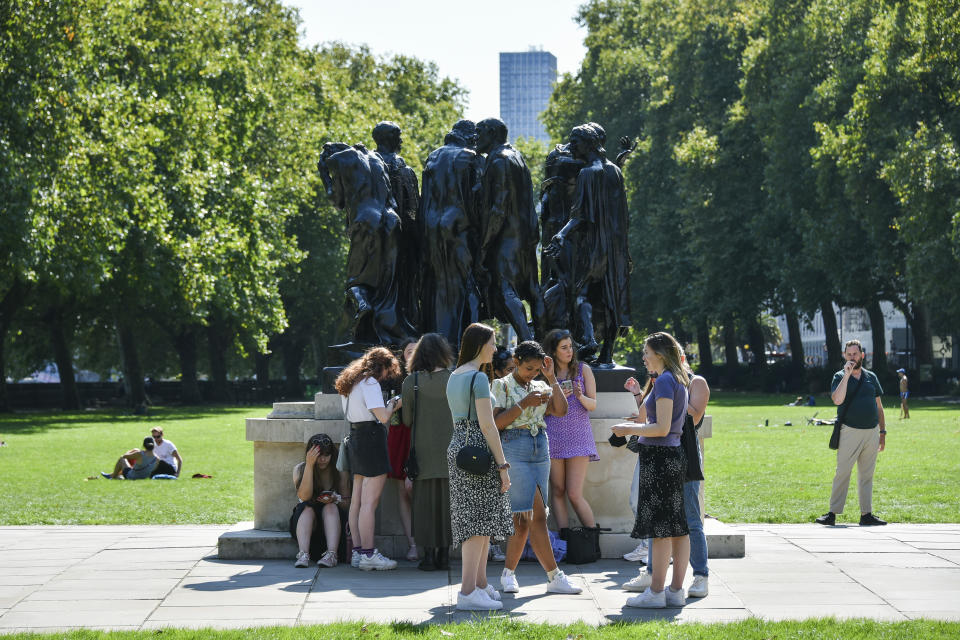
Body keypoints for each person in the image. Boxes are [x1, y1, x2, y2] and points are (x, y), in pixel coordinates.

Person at [492, 340, 582, 596]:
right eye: (528, 368)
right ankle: (555, 575)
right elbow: (497, 422)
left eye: (536, 368)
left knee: (525, 519)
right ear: (516, 361)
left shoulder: (542, 384)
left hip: (540, 447)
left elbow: (561, 411)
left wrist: (552, 378)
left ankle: (508, 574)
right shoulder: (501, 385)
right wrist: (525, 403)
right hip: (514, 447)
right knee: (534, 515)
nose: (532, 373)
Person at [610, 332, 690, 608]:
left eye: (646, 352)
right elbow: (649, 416)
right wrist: (637, 407)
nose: (643, 357)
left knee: (661, 529)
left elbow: (661, 428)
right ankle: (675, 591)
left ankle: (656, 593)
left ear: (660, 353)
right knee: (677, 527)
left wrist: (626, 429)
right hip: (669, 457)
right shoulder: (670, 378)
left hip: (661, 458)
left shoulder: (667, 380)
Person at [623, 355, 711, 599]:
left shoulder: (695, 383)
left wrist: (671, 393)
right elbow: (644, 416)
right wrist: (640, 394)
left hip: (686, 454)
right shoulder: (661, 381)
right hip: (658, 453)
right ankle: (653, 573)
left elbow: (691, 416)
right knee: (656, 517)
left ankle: (701, 575)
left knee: (691, 518)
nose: (647, 361)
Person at [544, 124, 631, 365]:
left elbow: (579, 215)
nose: (572, 146)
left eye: (576, 141)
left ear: (589, 143)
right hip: (614, 247)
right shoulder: (614, 170)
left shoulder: (586, 174)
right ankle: (607, 354)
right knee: (611, 297)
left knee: (579, 293)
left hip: (591, 245)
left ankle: (589, 339)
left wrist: (560, 235)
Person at [446, 322, 513, 611]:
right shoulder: (479, 379)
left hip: (459, 448)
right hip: (480, 453)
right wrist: (503, 464)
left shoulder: (454, 376)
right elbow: (488, 425)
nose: (495, 348)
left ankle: (481, 584)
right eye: (492, 342)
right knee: (478, 524)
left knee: (477, 520)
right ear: (479, 345)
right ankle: (468, 591)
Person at [475, 118, 545, 342]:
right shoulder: (517, 157)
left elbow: (498, 207)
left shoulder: (498, 161)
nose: (476, 137)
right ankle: (546, 339)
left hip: (506, 237)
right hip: (526, 236)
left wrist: (485, 245)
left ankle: (527, 342)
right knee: (533, 291)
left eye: (481, 132)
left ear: (493, 133)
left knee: (506, 289)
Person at [335, 347, 404, 570]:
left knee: (357, 501)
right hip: (371, 439)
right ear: (382, 366)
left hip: (355, 437)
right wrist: (395, 403)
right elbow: (383, 416)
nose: (386, 377)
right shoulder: (370, 383)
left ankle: (357, 552)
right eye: (387, 371)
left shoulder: (350, 381)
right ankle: (368, 554)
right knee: (369, 503)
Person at [816, 340, 887, 527]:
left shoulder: (871, 377)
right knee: (842, 472)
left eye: (855, 354)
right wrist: (847, 376)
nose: (852, 357)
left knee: (867, 474)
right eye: (849, 354)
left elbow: (879, 407)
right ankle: (832, 513)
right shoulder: (839, 376)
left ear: (862, 355)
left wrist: (882, 433)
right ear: (844, 356)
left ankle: (866, 514)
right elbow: (837, 400)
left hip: (871, 432)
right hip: (850, 431)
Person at [401, 333, 455, 571]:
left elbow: (407, 419)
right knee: (448, 505)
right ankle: (445, 555)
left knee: (423, 506)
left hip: (422, 452)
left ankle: (428, 556)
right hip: (451, 451)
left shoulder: (411, 382)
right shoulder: (455, 380)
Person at [542, 329, 598, 536]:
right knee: (557, 491)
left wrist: (579, 395)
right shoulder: (545, 374)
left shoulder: (583, 370)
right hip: (553, 436)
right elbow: (539, 410)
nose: (569, 351)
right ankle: (565, 540)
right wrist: (554, 398)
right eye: (564, 348)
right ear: (553, 351)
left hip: (578, 437)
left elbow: (593, 405)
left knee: (574, 493)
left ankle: (592, 539)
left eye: (570, 347)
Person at [291, 434, 351, 568]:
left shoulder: (339, 470)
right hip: (308, 529)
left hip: (332, 529)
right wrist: (309, 466)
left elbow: (347, 505)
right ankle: (303, 554)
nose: (323, 459)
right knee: (307, 508)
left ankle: (332, 555)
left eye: (327, 455)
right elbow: (304, 497)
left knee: (330, 507)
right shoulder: (300, 469)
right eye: (318, 455)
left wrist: (335, 499)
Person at [386, 338, 418, 562]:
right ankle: (413, 544)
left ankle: (429, 541)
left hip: (421, 436)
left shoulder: (432, 377)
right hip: (399, 435)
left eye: (417, 350)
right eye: (409, 351)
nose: (413, 354)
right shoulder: (395, 379)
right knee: (402, 491)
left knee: (415, 489)